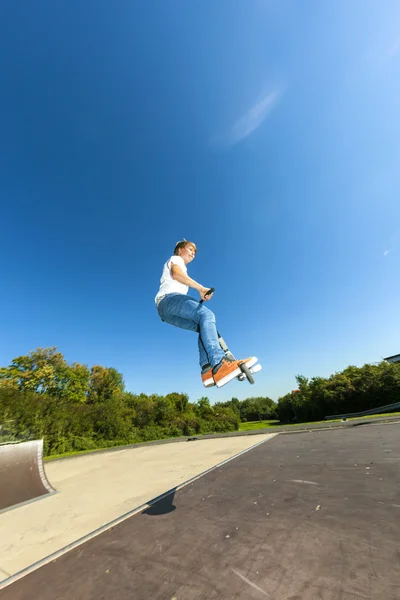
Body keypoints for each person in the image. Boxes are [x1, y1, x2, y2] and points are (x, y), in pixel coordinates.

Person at [155, 239, 257, 388]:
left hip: (166, 312)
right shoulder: (176, 259)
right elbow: (176, 274)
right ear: (179, 250)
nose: (192, 253)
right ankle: (218, 363)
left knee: (203, 327)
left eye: (194, 252)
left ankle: (207, 371)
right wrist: (201, 288)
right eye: (190, 249)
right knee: (207, 316)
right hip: (169, 300)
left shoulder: (181, 266)